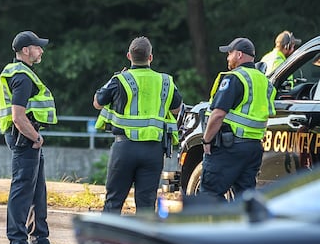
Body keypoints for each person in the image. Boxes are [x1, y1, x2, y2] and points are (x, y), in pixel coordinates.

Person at [0, 31, 66, 244]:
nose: (41, 50)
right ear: (26, 50)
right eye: (37, 47)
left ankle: (40, 239)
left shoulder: (22, 73)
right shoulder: (22, 77)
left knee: (36, 190)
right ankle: (17, 242)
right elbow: (18, 115)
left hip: (25, 135)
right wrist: (35, 137)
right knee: (23, 189)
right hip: (24, 136)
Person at [93, 36, 182, 214]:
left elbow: (97, 102)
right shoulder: (165, 81)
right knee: (147, 205)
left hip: (124, 148)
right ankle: (143, 242)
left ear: (129, 56)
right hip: (153, 151)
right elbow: (176, 109)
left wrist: (114, 77)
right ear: (151, 57)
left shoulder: (120, 80)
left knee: (114, 201)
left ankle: (109, 241)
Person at [200, 37, 276, 200]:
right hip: (253, 148)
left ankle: (222, 224)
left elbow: (218, 113)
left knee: (210, 194)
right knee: (245, 197)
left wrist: (206, 140)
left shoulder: (234, 78)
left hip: (230, 147)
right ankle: (241, 224)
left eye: (230, 53)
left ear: (239, 55)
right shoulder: (264, 81)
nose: (228, 58)